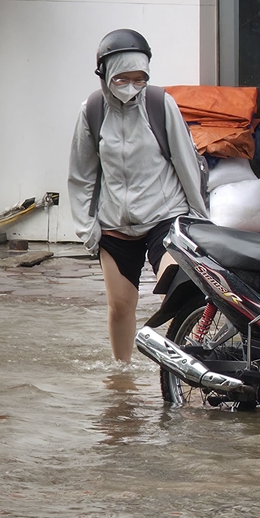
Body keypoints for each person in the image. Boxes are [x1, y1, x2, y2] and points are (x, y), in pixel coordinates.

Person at [65, 28, 210, 364]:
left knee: (179, 284)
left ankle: (185, 358)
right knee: (119, 308)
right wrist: (87, 228)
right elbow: (81, 175)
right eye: (123, 78)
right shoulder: (92, 110)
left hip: (165, 214)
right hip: (115, 224)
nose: (131, 86)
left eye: (139, 78)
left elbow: (186, 161)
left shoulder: (160, 105)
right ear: (105, 75)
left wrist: (197, 217)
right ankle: (123, 374)